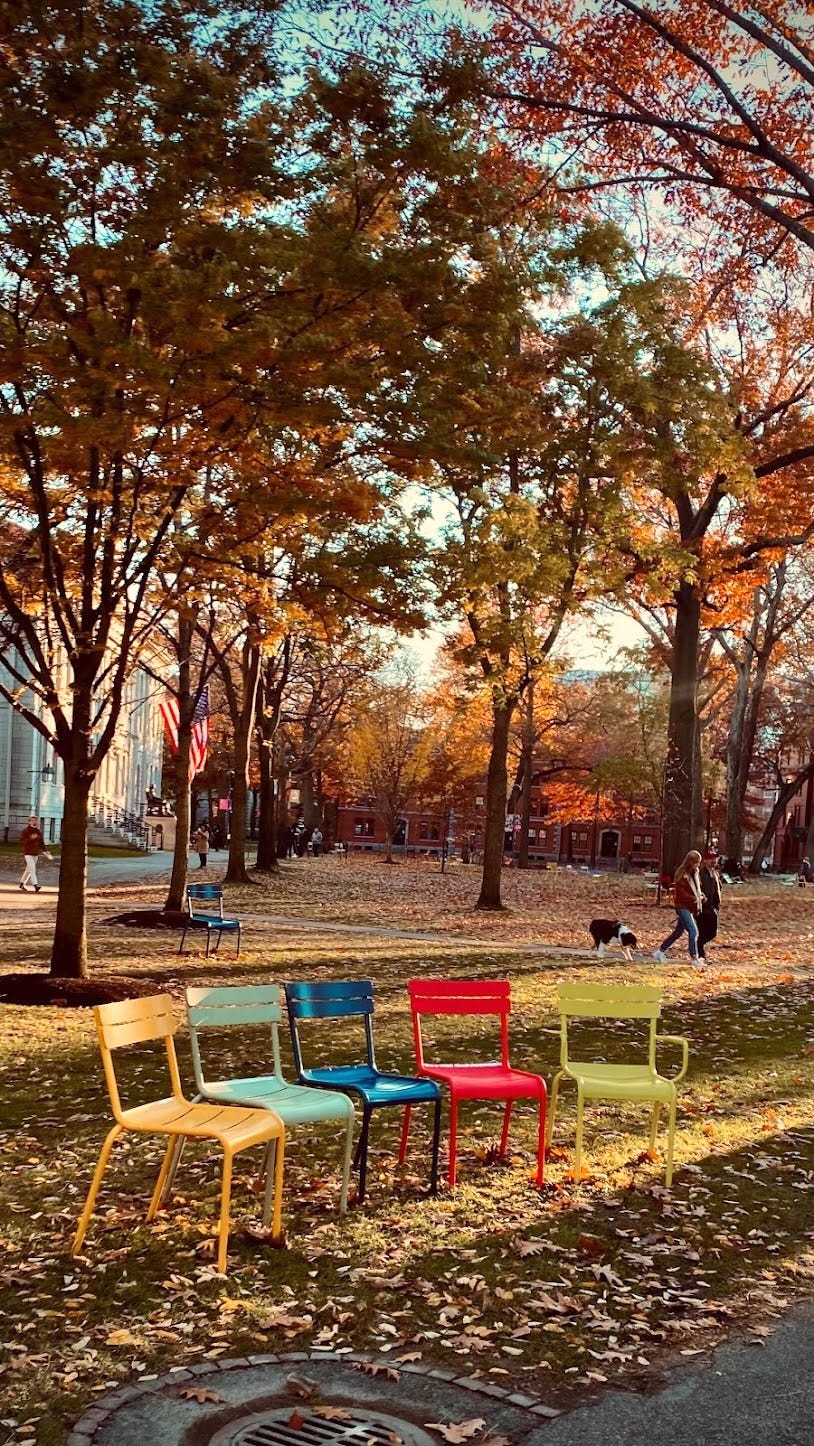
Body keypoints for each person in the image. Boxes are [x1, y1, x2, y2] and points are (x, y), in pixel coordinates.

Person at [653, 848, 704, 968]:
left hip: (689, 906)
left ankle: (660, 952)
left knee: (678, 932)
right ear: (690, 862)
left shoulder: (694, 873)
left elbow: (696, 889)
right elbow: (681, 893)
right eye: (696, 862)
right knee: (693, 931)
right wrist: (694, 898)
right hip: (682, 906)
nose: (698, 865)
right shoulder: (682, 874)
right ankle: (694, 958)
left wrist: (700, 896)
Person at [697, 848, 722, 961]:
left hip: (712, 908)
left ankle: (698, 949)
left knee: (712, 932)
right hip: (702, 908)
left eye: (715, 858)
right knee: (703, 931)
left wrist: (717, 904)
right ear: (705, 860)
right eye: (710, 858)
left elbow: (717, 890)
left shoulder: (715, 872)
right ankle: (700, 955)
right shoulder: (701, 873)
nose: (713, 860)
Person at [19, 815, 52, 893]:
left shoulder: (38, 831)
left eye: (35, 820)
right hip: (27, 853)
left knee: (28, 869)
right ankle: (36, 885)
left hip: (35, 853)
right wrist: (30, 839)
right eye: (32, 820)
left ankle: (22, 883)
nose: (34, 822)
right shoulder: (26, 831)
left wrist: (46, 851)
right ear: (29, 822)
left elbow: (41, 843)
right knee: (32, 869)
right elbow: (22, 842)